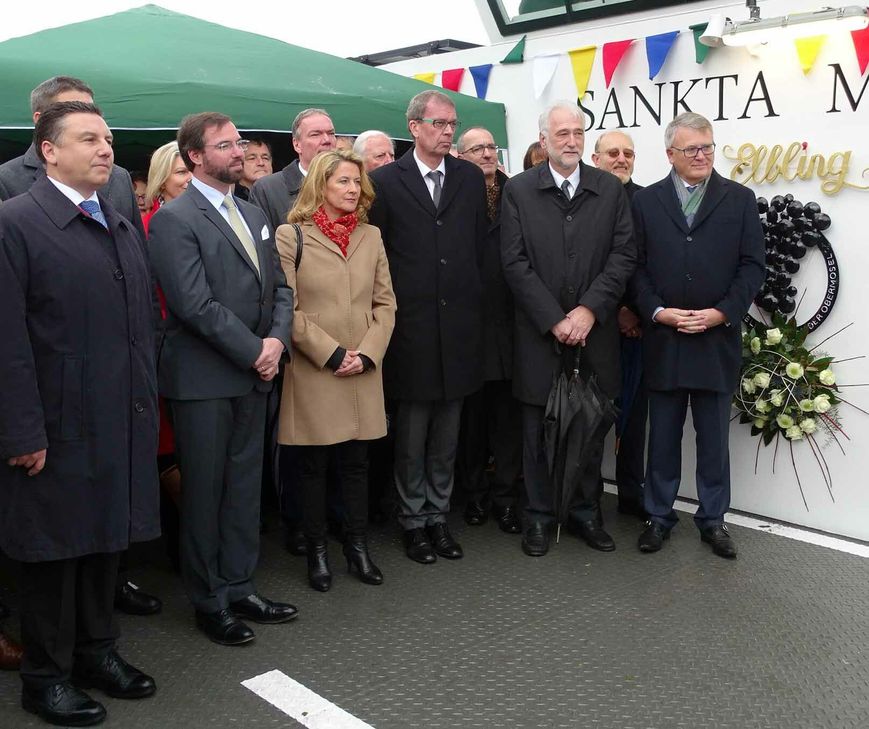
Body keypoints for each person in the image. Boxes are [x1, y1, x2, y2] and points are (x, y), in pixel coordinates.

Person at [0, 101, 159, 727]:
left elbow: (141, 326)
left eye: (109, 138)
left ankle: (97, 653)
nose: (105, 148)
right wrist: (21, 431)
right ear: (49, 150)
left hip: (116, 416)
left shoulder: (118, 223)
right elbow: (7, 340)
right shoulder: (14, 223)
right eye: (88, 138)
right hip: (54, 425)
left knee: (104, 544)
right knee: (53, 555)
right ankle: (45, 678)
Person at [148, 112, 297, 646]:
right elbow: (192, 304)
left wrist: (277, 342)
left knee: (241, 491)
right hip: (205, 381)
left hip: (254, 374)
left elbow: (281, 287)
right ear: (194, 156)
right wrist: (255, 349)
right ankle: (209, 601)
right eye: (226, 145)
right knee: (205, 495)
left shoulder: (253, 212)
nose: (239, 152)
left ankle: (240, 586)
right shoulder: (174, 218)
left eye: (239, 143)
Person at [501, 101, 635, 558]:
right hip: (540, 336)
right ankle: (538, 516)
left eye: (578, 132)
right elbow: (513, 263)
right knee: (537, 430)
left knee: (592, 427)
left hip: (594, 336)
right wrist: (555, 319)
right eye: (562, 134)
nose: (572, 141)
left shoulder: (609, 190)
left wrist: (588, 312)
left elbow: (623, 257)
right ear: (544, 141)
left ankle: (585, 513)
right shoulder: (518, 191)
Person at [631, 112, 764, 559]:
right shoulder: (646, 203)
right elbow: (636, 268)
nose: (703, 155)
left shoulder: (740, 199)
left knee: (713, 442)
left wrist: (721, 313)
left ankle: (713, 520)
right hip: (664, 341)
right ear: (670, 154)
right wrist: (658, 312)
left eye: (708, 146)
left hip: (715, 340)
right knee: (663, 438)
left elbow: (752, 267)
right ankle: (658, 516)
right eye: (692, 149)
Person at [368, 90, 487, 564]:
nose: (446, 132)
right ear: (413, 126)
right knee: (411, 435)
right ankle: (412, 520)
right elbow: (378, 258)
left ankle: (438, 517)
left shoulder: (468, 178)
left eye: (452, 124)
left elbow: (478, 248)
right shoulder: (384, 181)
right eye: (438, 123)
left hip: (458, 328)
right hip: (410, 329)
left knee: (447, 436)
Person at [276, 149, 396, 591]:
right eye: (342, 181)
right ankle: (318, 552)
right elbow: (286, 306)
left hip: (363, 367)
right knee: (313, 465)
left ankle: (358, 548)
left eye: (356, 182)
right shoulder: (292, 236)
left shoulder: (372, 235)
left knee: (357, 463)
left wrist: (365, 354)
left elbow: (386, 303)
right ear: (320, 186)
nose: (352, 190)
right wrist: (330, 354)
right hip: (315, 369)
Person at [456, 126, 522, 534]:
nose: (485, 153)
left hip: (513, 324)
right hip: (468, 328)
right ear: (461, 157)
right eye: (476, 148)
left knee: (508, 422)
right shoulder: (456, 195)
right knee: (471, 423)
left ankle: (506, 499)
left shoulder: (518, 192)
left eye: (490, 147)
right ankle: (475, 496)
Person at [591, 130, 647, 518]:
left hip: (639, 329)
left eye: (628, 153)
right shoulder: (583, 200)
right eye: (613, 152)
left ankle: (631, 494)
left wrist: (636, 310)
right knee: (592, 418)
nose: (621, 159)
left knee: (635, 417)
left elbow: (651, 263)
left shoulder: (647, 200)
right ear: (595, 159)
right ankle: (586, 496)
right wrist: (615, 311)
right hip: (593, 327)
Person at [250, 108, 336, 232]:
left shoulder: (352, 184)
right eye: (315, 134)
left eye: (331, 133)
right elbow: (265, 245)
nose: (327, 140)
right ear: (297, 145)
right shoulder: (268, 189)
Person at [142, 141, 192, 233]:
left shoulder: (211, 215)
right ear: (161, 181)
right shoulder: (146, 227)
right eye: (181, 172)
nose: (192, 178)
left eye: (194, 170)